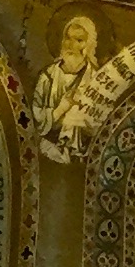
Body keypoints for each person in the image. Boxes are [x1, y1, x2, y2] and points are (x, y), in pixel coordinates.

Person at [30, 15, 101, 163]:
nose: (71, 45)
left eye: (79, 40)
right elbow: (34, 117)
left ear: (88, 45)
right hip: (47, 150)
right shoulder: (47, 76)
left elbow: (100, 123)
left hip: (81, 156)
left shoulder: (96, 80)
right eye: (68, 38)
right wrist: (59, 110)